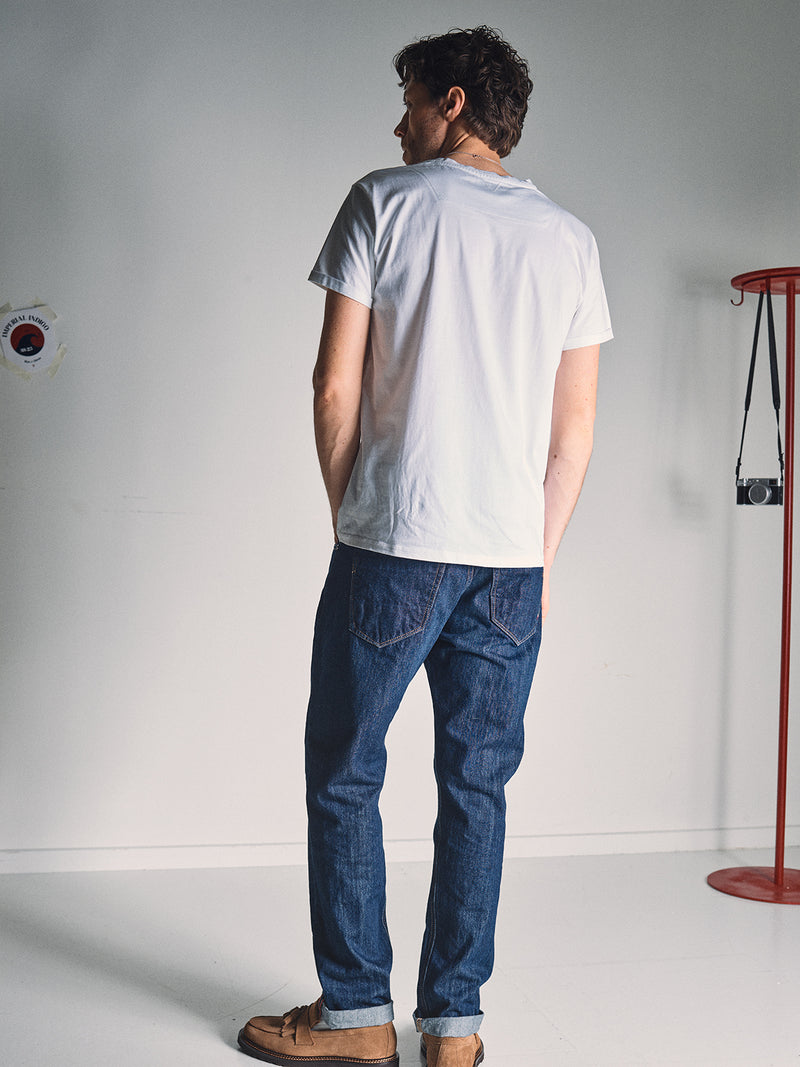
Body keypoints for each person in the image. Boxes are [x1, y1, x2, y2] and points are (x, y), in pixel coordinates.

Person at [238, 25, 612, 1067]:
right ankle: (454, 1028)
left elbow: (331, 386)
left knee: (344, 769)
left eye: (406, 99)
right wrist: (525, 549)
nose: (394, 122)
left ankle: (358, 1014)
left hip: (395, 540)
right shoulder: (568, 240)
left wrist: (349, 510)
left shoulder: (382, 202)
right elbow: (572, 434)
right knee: (474, 785)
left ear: (450, 101)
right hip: (509, 560)